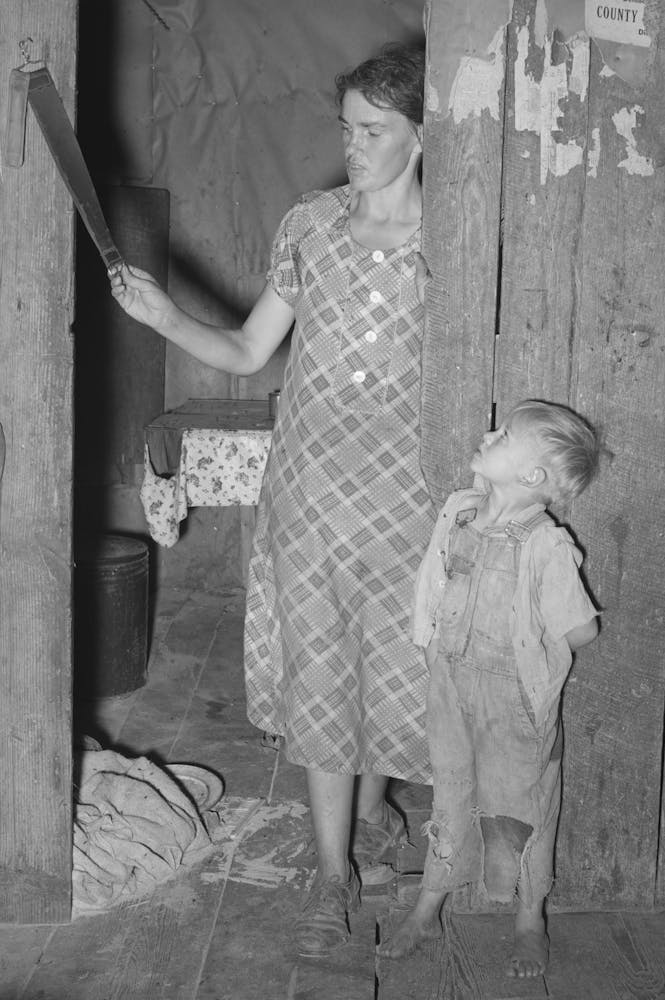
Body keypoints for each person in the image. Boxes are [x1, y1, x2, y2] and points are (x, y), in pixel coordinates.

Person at [109, 43, 433, 958]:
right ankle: (332, 874)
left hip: (410, 495)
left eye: (375, 131)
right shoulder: (311, 226)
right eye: (347, 128)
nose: (354, 146)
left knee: (397, 666)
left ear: (420, 138)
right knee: (326, 672)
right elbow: (254, 353)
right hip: (312, 489)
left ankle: (374, 818)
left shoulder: (453, 238)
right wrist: (164, 317)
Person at [380, 399, 601, 979]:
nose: (486, 434)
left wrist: (530, 643)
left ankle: (531, 919)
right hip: (449, 685)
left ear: (531, 478)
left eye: (502, 436)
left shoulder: (546, 545)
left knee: (520, 807)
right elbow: (431, 581)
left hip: (516, 708)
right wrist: (429, 644)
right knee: (451, 792)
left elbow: (582, 629)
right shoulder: (457, 513)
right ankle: (430, 903)